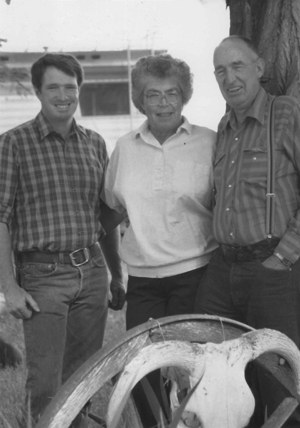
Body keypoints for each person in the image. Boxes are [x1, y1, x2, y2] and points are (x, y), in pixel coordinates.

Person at [0, 53, 125, 427]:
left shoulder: (95, 143)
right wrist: (9, 288)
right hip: (42, 275)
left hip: (92, 270)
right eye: (53, 87)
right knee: (46, 383)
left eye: (70, 87)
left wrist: (116, 275)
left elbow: (105, 218)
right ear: (38, 91)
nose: (63, 95)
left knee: (84, 377)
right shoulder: (13, 144)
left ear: (79, 91)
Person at [104, 53, 217, 427]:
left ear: (184, 96)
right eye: (153, 94)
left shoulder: (209, 142)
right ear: (141, 100)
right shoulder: (125, 147)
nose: (163, 102)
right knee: (141, 373)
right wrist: (115, 273)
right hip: (143, 282)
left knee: (193, 373)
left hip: (195, 274)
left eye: (172, 93)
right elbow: (112, 208)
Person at [194, 35, 300, 427]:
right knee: (222, 376)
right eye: (220, 70)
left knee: (281, 380)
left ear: (260, 68)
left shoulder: (286, 114)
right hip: (225, 270)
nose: (229, 77)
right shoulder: (224, 126)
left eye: (238, 66)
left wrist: (284, 255)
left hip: (273, 267)